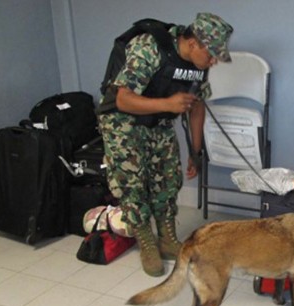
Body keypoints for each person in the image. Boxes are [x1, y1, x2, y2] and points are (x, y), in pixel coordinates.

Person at [98, 13, 234, 276]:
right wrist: (167, 105)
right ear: (194, 43)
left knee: (168, 179)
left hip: (158, 121)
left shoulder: (198, 64)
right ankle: (146, 241)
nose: (214, 61)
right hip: (122, 122)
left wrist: (196, 151)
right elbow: (122, 99)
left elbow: (196, 107)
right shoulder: (149, 47)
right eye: (212, 54)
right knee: (133, 185)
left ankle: (167, 238)